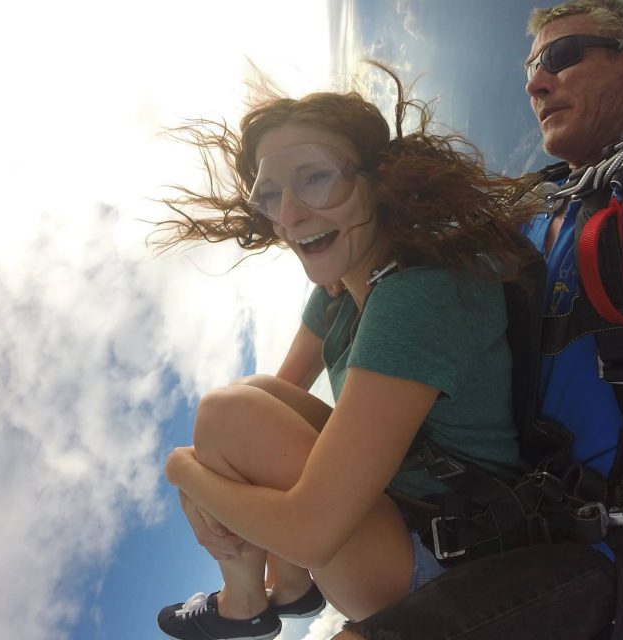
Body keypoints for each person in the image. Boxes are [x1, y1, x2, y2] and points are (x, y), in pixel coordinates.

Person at [330, 1, 623, 639]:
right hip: (507, 522)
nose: (537, 84)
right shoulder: (536, 212)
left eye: (560, 58)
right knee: (264, 422)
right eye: (530, 71)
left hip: (606, 557)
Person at [153, 66, 542, 640]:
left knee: (225, 414)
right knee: (247, 402)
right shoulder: (341, 296)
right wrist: (212, 470)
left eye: (315, 178)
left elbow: (308, 533)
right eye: (270, 194)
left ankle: (250, 603)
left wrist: (182, 470)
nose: (288, 215)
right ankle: (274, 595)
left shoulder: (417, 295)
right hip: (406, 517)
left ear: (377, 180)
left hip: (452, 563)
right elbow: (263, 417)